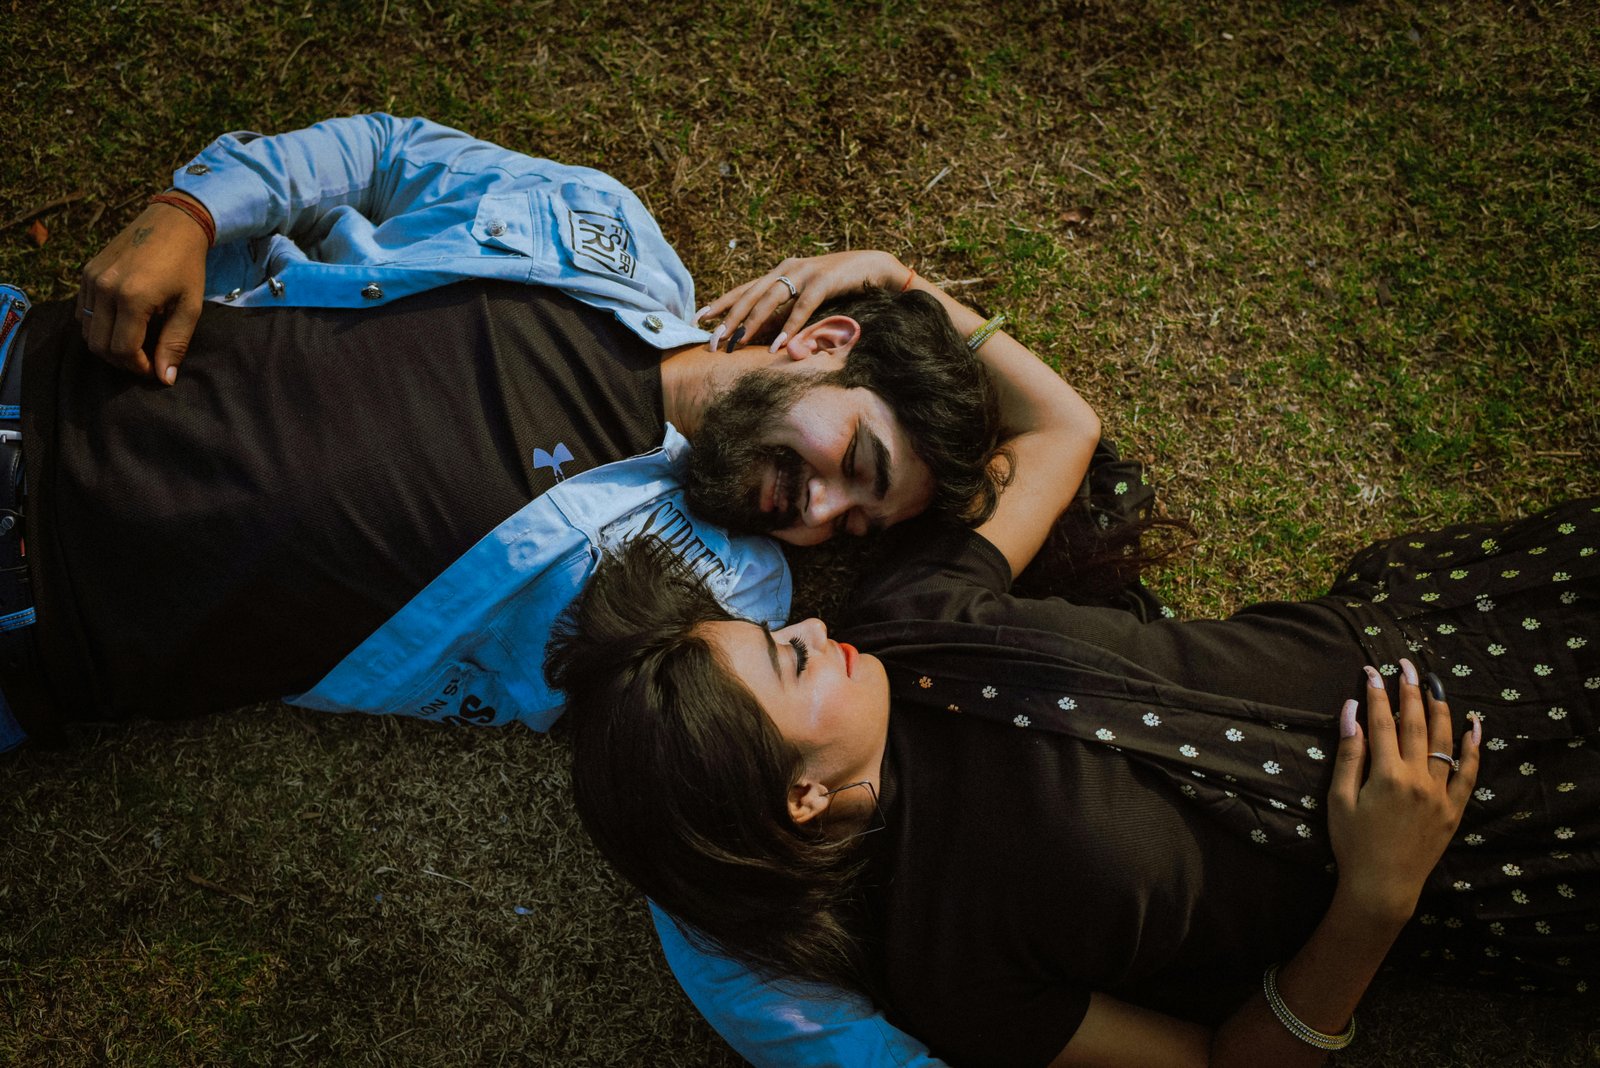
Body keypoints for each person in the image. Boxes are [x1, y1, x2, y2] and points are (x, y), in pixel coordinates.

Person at [550, 317, 1598, 1065]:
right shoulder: (952, 971)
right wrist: (1377, 897)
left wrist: (903, 288)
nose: (815, 628)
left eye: (783, 631)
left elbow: (1056, 430)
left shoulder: (907, 616)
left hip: (1470, 627)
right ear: (799, 796)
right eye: (789, 660)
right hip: (1506, 855)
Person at [0, 113, 1104, 754]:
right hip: (31, 366)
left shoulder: (723, 595)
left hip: (40, 626)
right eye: (850, 464)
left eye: (854, 523)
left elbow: (1061, 435)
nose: (817, 515)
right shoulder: (598, 236)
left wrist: (919, 292)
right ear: (821, 346)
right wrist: (191, 212)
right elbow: (387, 155)